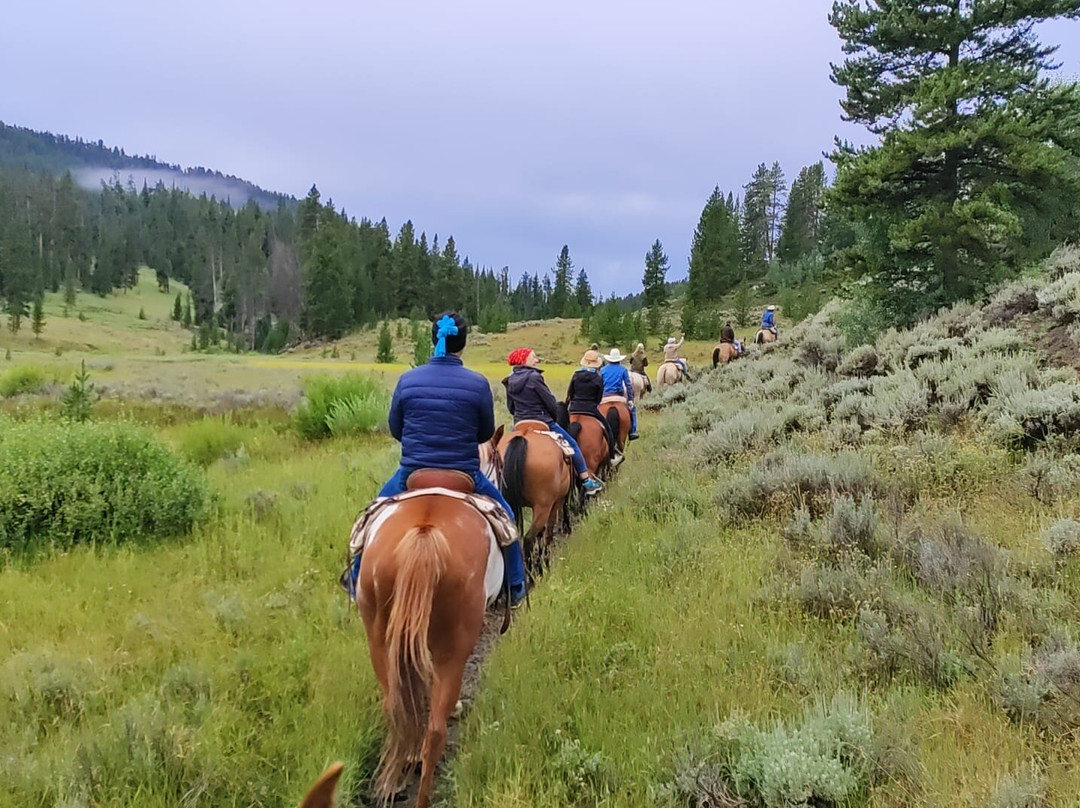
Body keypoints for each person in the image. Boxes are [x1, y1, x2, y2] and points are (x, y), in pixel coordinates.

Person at [378, 311, 527, 605]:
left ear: (434, 340)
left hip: (413, 474)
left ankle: (357, 578)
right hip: (464, 476)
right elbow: (485, 431)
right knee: (507, 518)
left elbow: (396, 429)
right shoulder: (477, 383)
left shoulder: (408, 380)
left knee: (370, 517)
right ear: (464, 344)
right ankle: (516, 585)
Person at [502, 348, 605, 496]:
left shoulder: (509, 379)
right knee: (572, 445)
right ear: (523, 360)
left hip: (520, 422)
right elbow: (550, 402)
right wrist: (552, 417)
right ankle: (586, 480)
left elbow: (511, 407)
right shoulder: (535, 377)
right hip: (542, 420)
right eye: (533, 357)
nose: (536, 360)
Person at [566, 349, 624, 467]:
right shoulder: (597, 378)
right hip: (590, 410)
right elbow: (598, 398)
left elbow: (570, 394)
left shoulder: (576, 375)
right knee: (608, 429)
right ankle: (612, 457)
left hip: (574, 409)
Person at [599, 348, 639, 440]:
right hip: (618, 396)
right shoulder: (623, 369)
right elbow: (628, 385)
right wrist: (630, 400)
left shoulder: (603, 370)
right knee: (632, 409)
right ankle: (633, 431)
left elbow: (599, 384)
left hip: (605, 396)